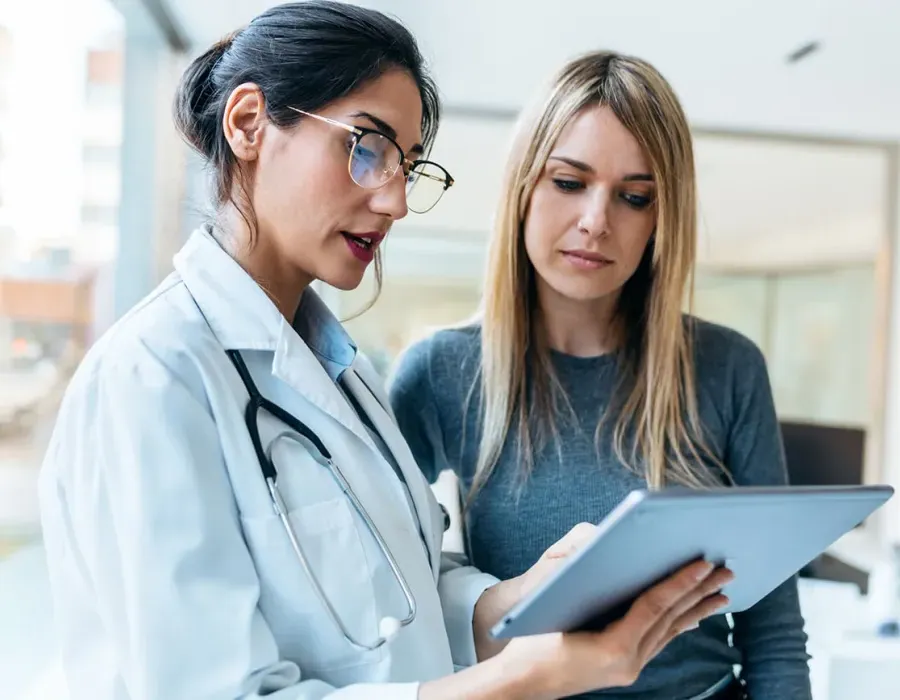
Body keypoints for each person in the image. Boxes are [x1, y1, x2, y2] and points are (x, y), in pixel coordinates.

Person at [37, 5, 733, 700]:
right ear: (249, 123)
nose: (396, 200)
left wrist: (521, 598)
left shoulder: (342, 375)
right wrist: (528, 678)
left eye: (406, 164)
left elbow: (408, 598)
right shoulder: (153, 379)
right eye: (366, 147)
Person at [389, 50, 812, 700]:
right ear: (524, 187)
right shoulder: (440, 372)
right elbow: (391, 595)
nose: (596, 220)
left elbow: (774, 633)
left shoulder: (726, 368)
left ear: (660, 218)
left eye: (634, 196)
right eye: (568, 182)